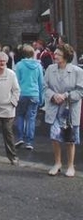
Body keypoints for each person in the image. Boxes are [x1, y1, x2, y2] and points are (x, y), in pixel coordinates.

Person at [43, 44, 83, 177]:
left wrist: (66, 96)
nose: (55, 56)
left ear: (66, 56)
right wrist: (53, 95)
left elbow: (80, 91)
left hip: (69, 110)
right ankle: (57, 163)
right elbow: (44, 87)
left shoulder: (77, 71)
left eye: (58, 54)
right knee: (54, 137)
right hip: (54, 108)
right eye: (55, 54)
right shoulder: (50, 69)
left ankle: (71, 166)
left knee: (69, 138)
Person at [14, 44, 44, 150]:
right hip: (34, 94)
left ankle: (20, 137)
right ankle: (29, 142)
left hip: (22, 93)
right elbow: (41, 83)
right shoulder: (38, 66)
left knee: (20, 115)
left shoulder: (19, 65)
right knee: (31, 118)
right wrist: (42, 98)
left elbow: (16, 81)